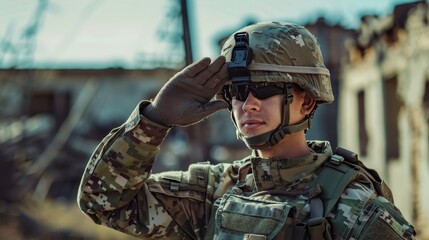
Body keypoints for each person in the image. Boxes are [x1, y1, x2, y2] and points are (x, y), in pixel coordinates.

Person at [77, 22, 416, 239]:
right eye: (237, 91)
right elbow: (104, 204)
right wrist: (153, 120)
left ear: (307, 102)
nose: (248, 104)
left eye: (265, 88)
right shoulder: (213, 191)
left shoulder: (354, 206)